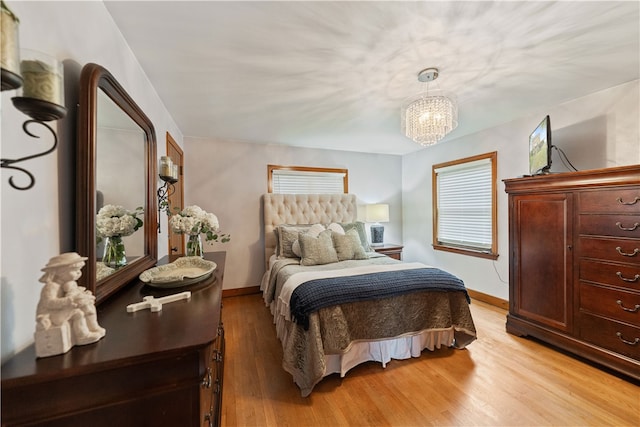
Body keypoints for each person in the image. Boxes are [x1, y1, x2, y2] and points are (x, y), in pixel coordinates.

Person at [36, 252, 106, 346]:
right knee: (78, 313)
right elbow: (49, 303)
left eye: (79, 270)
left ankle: (94, 327)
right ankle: (82, 336)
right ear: (60, 272)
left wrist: (83, 295)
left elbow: (74, 293)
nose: (78, 273)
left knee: (88, 306)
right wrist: (69, 301)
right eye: (74, 270)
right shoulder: (52, 286)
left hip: (63, 310)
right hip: (51, 315)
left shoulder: (70, 283)